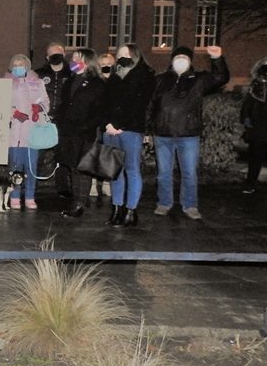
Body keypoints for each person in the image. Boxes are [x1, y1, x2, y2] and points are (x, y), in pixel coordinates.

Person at [150, 46, 229, 220]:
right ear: (171, 59)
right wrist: (150, 128)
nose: (180, 60)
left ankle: (190, 205)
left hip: (188, 134)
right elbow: (151, 105)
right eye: (177, 56)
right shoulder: (160, 80)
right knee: (164, 173)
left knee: (189, 173)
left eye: (184, 57)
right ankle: (164, 203)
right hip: (163, 134)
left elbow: (220, 77)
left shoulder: (199, 79)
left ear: (190, 60)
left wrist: (217, 59)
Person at [100, 43, 156, 228]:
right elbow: (104, 102)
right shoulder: (115, 76)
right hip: (111, 130)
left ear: (136, 55)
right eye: (120, 54)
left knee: (131, 170)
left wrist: (120, 125)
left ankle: (131, 210)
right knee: (115, 172)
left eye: (127, 54)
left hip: (130, 129)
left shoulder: (145, 76)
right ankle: (117, 209)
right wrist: (107, 123)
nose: (122, 56)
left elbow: (139, 104)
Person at [56, 49, 106, 218]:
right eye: (73, 58)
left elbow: (99, 111)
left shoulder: (97, 83)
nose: (73, 60)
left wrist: (86, 126)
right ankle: (75, 201)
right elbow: (64, 104)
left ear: (88, 62)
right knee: (72, 167)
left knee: (82, 168)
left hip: (84, 132)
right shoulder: (71, 80)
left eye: (78, 58)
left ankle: (79, 203)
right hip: (68, 131)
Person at [7, 54, 50, 210]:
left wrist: (40, 108)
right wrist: (13, 113)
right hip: (15, 132)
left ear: (27, 66)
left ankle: (30, 196)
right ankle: (14, 196)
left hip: (32, 131)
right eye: (16, 64)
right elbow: (0, 103)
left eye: (22, 64)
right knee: (15, 166)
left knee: (31, 167)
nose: (19, 67)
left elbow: (45, 101)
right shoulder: (8, 84)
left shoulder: (37, 83)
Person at [35, 42, 73, 199]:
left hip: (64, 121)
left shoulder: (71, 73)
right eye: (52, 53)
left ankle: (62, 187)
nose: (55, 56)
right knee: (39, 153)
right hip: (44, 120)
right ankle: (33, 185)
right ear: (47, 57)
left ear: (64, 54)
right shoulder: (38, 73)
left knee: (63, 155)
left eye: (58, 52)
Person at [89, 53, 116, 198]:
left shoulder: (117, 81)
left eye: (109, 64)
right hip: (96, 123)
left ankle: (106, 184)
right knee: (94, 153)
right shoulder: (95, 82)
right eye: (102, 64)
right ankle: (93, 184)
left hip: (111, 124)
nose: (106, 67)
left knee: (109, 154)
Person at [241, 58, 267, 194]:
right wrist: (247, 120)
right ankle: (250, 184)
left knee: (256, 157)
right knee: (256, 157)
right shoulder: (255, 87)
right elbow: (247, 105)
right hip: (258, 127)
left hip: (259, 127)